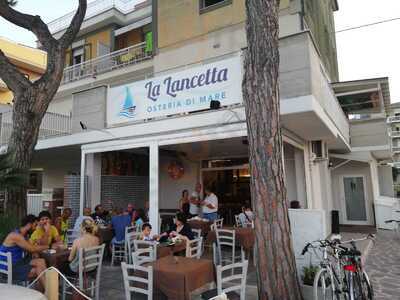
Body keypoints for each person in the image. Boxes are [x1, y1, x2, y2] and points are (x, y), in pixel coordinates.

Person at [0, 215, 48, 289]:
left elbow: (31, 248)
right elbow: (32, 248)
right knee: (38, 270)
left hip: (18, 263)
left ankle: (46, 291)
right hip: (9, 268)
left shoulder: (23, 235)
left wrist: (35, 250)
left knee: (41, 261)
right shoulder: (16, 236)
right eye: (35, 225)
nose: (35, 228)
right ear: (29, 225)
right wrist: (46, 246)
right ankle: (49, 292)